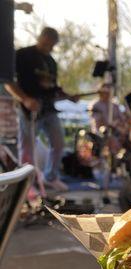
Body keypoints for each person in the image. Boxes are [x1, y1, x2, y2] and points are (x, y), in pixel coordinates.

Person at [4, 27, 79, 192]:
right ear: (41, 37)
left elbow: (52, 89)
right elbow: (8, 81)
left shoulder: (51, 62)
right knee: (27, 148)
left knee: (58, 143)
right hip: (28, 110)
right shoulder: (22, 55)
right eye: (46, 43)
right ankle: (27, 184)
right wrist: (25, 99)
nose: (48, 48)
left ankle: (50, 177)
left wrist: (68, 96)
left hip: (48, 109)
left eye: (51, 45)